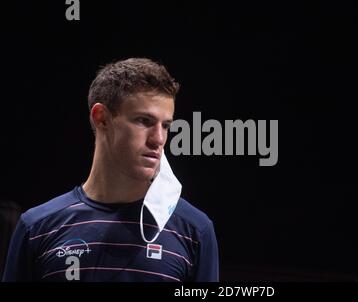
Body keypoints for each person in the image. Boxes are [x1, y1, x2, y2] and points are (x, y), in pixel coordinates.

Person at [2, 58, 219, 282]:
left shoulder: (194, 230)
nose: (159, 139)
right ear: (102, 118)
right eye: (144, 121)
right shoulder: (37, 227)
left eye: (165, 125)